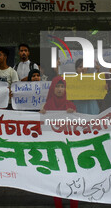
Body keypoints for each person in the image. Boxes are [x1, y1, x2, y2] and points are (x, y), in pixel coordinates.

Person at [40, 76, 78, 208]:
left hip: (69, 149)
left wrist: (73, 114)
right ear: (53, 88)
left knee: (73, 179)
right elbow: (42, 128)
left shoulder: (71, 105)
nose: (60, 89)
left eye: (62, 86)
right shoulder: (46, 106)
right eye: (57, 86)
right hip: (54, 149)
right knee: (56, 180)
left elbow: (77, 127)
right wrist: (41, 116)